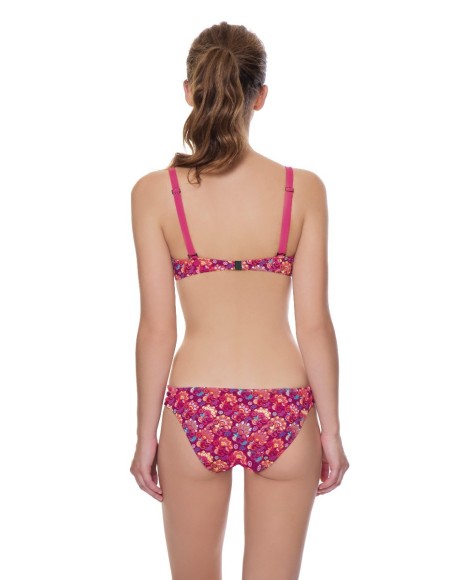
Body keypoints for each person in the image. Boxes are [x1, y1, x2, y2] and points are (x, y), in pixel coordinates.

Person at [130, 21, 349, 580]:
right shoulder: (303, 190)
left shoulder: (156, 194)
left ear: (190, 91)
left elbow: (157, 330)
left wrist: (145, 435)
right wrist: (330, 430)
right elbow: (314, 325)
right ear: (260, 96)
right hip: (284, 408)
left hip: (194, 408)